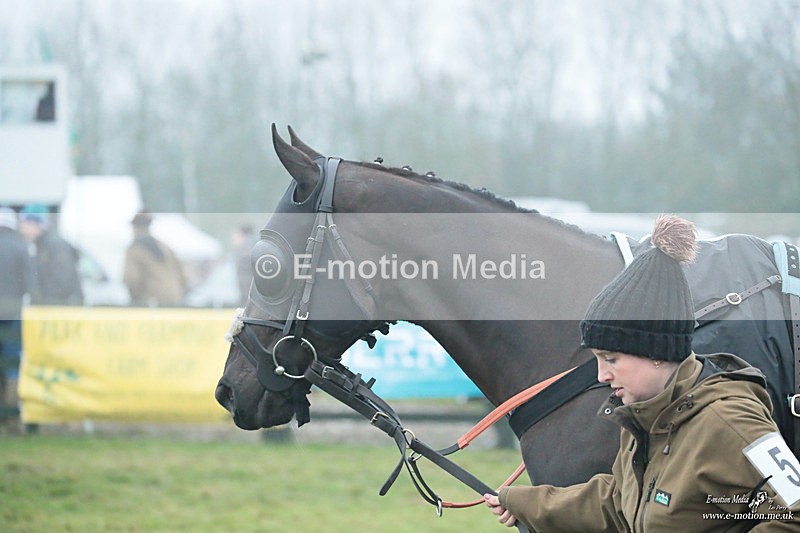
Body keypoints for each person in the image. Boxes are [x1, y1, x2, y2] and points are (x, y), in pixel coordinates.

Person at [485, 215, 800, 531]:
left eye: (611, 358)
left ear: (656, 353)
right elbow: (617, 501)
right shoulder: (643, 420)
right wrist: (522, 502)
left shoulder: (729, 423)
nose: (601, 376)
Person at [18, 204, 83, 306]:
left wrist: (41, 302)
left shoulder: (55, 246)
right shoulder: (41, 245)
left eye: (24, 223)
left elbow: (62, 282)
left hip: (62, 310)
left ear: (35, 223)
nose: (21, 228)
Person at [0, 208, 33, 407]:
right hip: (13, 313)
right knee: (13, 364)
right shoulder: (21, 247)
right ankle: (11, 414)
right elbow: (30, 283)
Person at [123, 210, 186, 307]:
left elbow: (131, 278)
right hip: (175, 300)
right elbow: (184, 276)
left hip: (151, 303)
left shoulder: (134, 250)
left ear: (135, 227)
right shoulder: (165, 247)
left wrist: (136, 298)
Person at [231, 222, 257, 306]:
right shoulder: (252, 243)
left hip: (248, 280)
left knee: (247, 301)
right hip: (246, 280)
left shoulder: (247, 246)